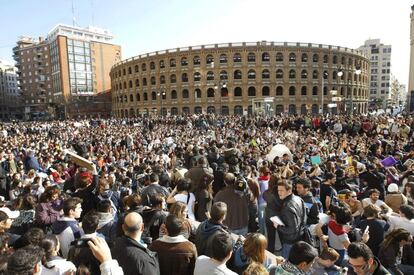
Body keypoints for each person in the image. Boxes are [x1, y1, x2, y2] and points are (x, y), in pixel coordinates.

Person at [273, 180, 307, 259]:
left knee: (287, 264)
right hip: (299, 237)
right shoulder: (299, 198)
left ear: (289, 190)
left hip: (290, 241)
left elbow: (291, 229)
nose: (279, 193)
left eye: (281, 190)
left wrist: (277, 226)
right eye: (278, 190)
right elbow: (304, 218)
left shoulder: (287, 206)